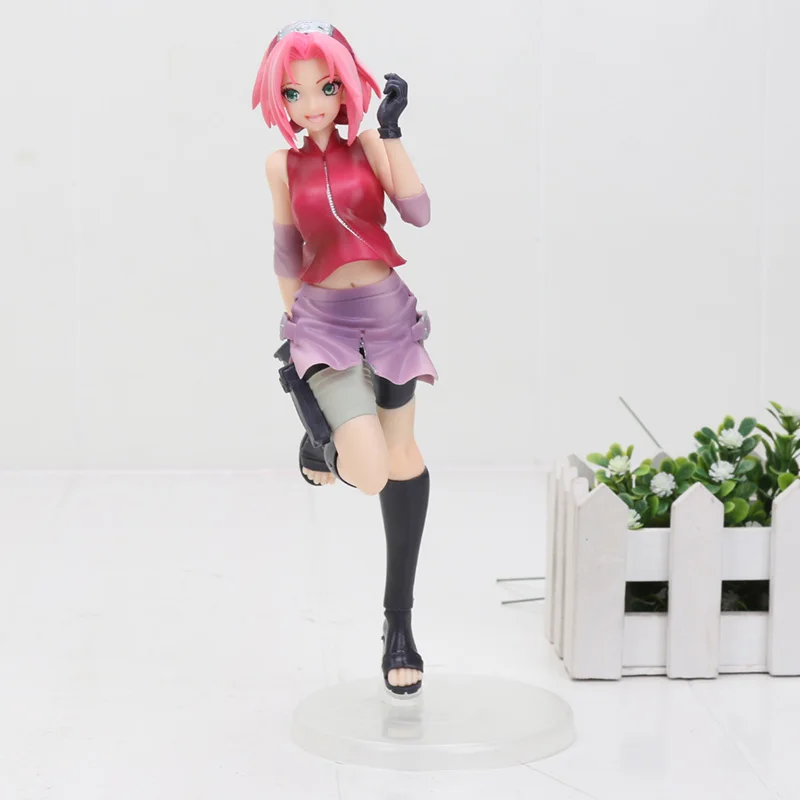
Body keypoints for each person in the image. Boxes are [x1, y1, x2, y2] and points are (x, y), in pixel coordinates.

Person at [252, 20, 437, 696]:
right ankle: (322, 432)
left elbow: (417, 212)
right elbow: (286, 250)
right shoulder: (282, 165)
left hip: (387, 315)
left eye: (326, 87)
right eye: (294, 92)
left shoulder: (368, 145)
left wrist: (391, 131)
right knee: (368, 470)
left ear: (346, 86)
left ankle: (399, 624)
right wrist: (294, 323)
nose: (312, 104)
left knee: (401, 456)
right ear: (279, 99)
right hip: (324, 322)